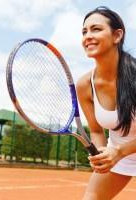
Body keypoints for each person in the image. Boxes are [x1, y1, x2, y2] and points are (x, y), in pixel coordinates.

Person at [76, 6, 136, 200]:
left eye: (96, 29)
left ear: (117, 36)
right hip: (119, 154)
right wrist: (102, 153)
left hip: (121, 152)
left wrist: (119, 151)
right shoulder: (85, 85)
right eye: (84, 31)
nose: (88, 36)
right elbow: (95, 130)